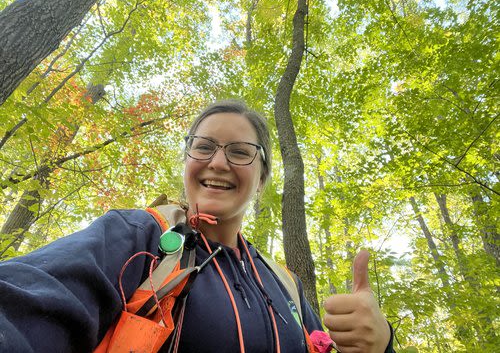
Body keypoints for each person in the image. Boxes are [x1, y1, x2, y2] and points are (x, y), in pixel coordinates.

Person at [0, 100, 394, 352]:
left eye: (240, 152)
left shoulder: (287, 284)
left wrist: (382, 346)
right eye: (204, 147)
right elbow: (29, 301)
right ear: (188, 162)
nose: (218, 163)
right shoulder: (139, 238)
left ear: (261, 179)